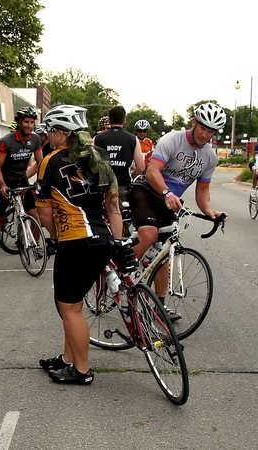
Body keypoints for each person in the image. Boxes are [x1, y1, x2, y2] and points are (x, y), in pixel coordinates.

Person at [35, 105, 123, 385]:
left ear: (60, 133)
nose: (48, 136)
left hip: (75, 240)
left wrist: (56, 236)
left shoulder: (50, 160)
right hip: (103, 239)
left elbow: (45, 214)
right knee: (69, 304)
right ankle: (68, 358)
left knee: (69, 308)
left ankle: (82, 370)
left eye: (50, 131)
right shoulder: (99, 156)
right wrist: (117, 241)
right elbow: (113, 207)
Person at [129, 102, 227, 319]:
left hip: (170, 202)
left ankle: (160, 307)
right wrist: (166, 193)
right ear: (194, 122)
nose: (205, 134)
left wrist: (210, 211)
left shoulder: (209, 157)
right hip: (146, 191)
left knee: (164, 253)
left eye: (211, 131)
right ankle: (123, 278)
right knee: (149, 235)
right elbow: (153, 171)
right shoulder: (172, 139)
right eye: (203, 128)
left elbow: (202, 191)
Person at [0, 106, 42, 270]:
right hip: (6, 182)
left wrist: (40, 181)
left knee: (34, 215)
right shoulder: (7, 141)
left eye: (32, 122)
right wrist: (1, 184)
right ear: (19, 123)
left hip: (22, 181)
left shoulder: (35, 139)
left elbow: (41, 162)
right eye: (26, 122)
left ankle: (35, 246)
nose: (29, 125)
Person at [93, 106, 144, 204]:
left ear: (109, 120)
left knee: (103, 217)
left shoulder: (97, 138)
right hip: (122, 185)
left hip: (102, 186)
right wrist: (131, 177)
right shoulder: (133, 139)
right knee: (121, 215)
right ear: (124, 121)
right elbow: (141, 167)